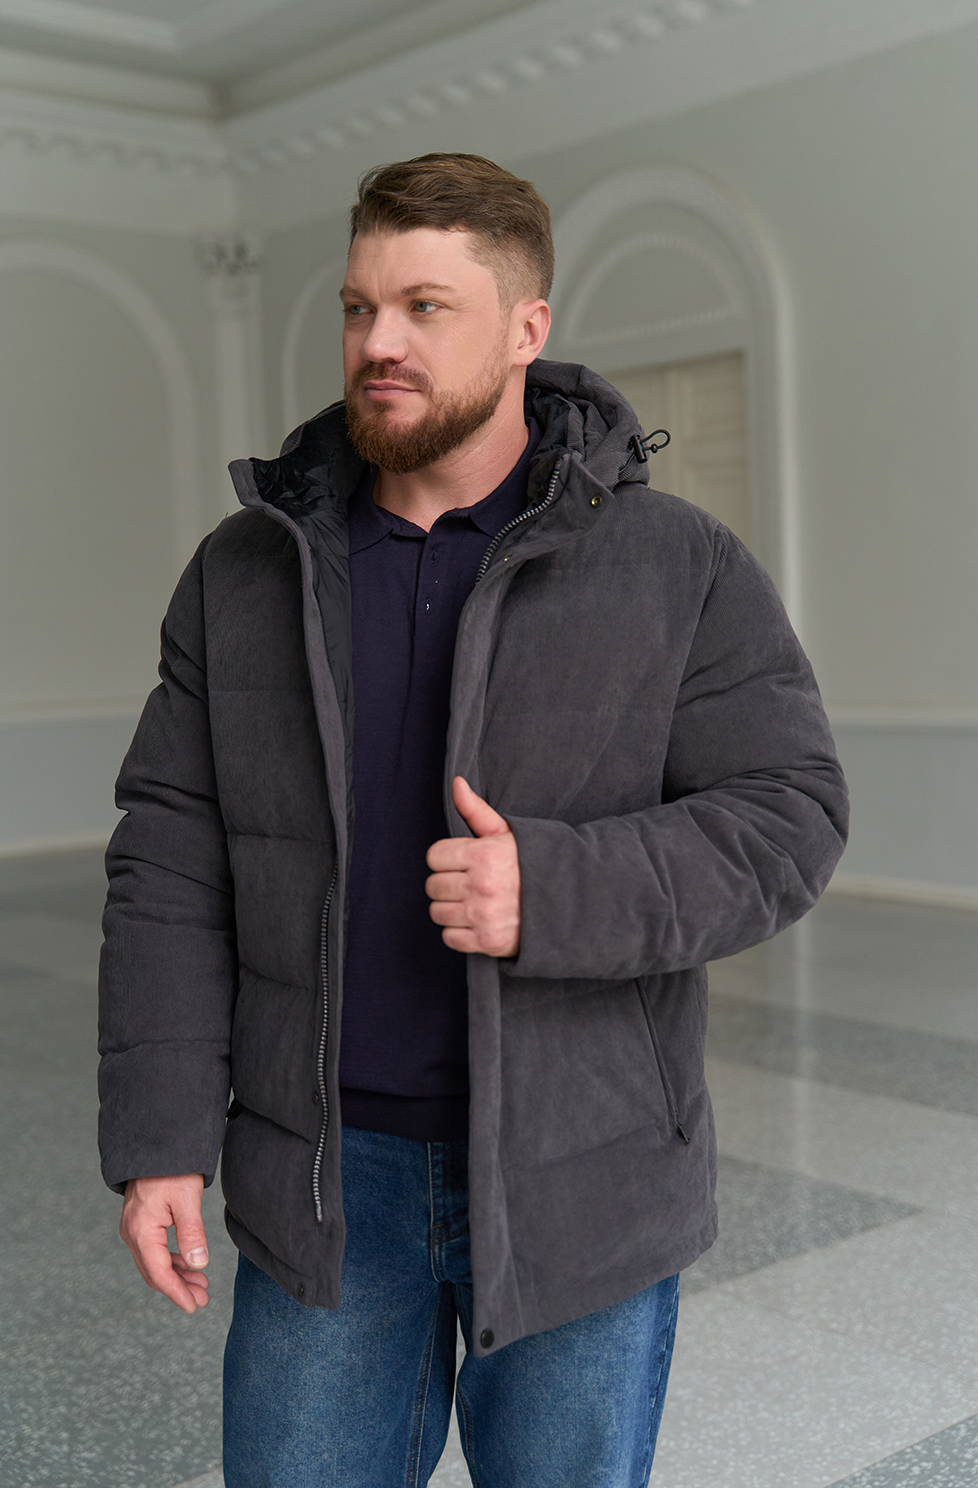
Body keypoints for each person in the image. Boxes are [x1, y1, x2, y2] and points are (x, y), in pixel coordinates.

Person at [98, 153, 848, 1487]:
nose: (377, 342)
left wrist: (551, 892)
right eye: (359, 307)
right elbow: (170, 859)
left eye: (425, 307)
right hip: (326, 1180)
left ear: (525, 328)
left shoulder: (677, 565)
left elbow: (790, 817)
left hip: (584, 1177)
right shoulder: (243, 572)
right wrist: (159, 1140)